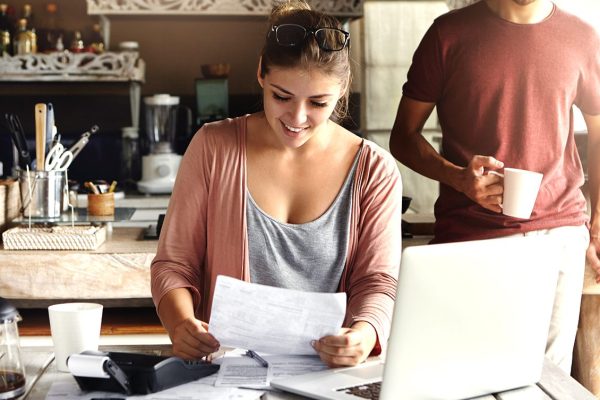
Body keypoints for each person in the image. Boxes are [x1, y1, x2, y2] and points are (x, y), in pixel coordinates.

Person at [151, 0, 402, 368]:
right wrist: (181, 323)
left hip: (330, 378)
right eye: (281, 97)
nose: (297, 118)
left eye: (318, 102)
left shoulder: (374, 170)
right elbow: (174, 265)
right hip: (225, 374)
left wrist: (364, 335)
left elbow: (378, 282)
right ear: (261, 75)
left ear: (343, 87)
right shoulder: (213, 147)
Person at [389, 0, 600, 373]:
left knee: (546, 381)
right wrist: (458, 177)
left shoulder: (582, 37)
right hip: (470, 237)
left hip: (559, 234)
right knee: (470, 377)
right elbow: (403, 137)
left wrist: (597, 222)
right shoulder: (447, 35)